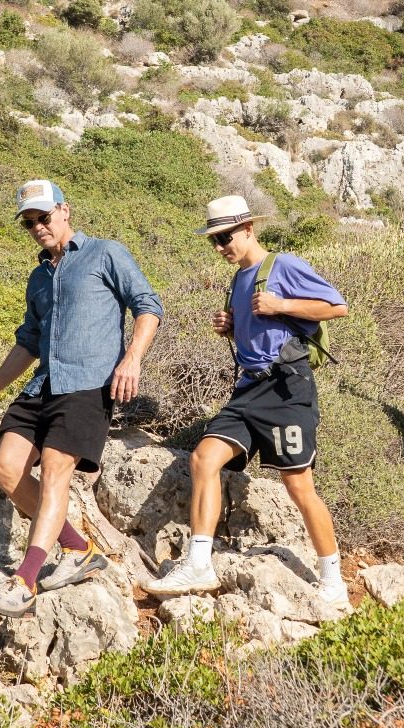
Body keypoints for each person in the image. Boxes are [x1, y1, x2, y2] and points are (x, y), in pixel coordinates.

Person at [145, 197, 352, 608]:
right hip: (247, 389)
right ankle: (199, 564)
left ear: (248, 230)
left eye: (225, 238)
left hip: (286, 390)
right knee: (203, 459)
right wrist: (232, 328)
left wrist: (283, 304)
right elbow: (256, 333)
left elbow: (338, 306)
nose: (221, 247)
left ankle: (334, 580)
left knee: (298, 485)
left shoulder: (284, 265)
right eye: (214, 241)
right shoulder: (238, 281)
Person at [0, 180, 162, 617]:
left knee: (56, 469)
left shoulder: (105, 253)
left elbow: (148, 306)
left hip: (90, 383)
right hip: (44, 384)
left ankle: (25, 579)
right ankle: (78, 548)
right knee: (4, 468)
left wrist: (131, 360)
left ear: (65, 210)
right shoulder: (38, 277)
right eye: (29, 222)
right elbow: (29, 341)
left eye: (44, 216)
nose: (38, 226)